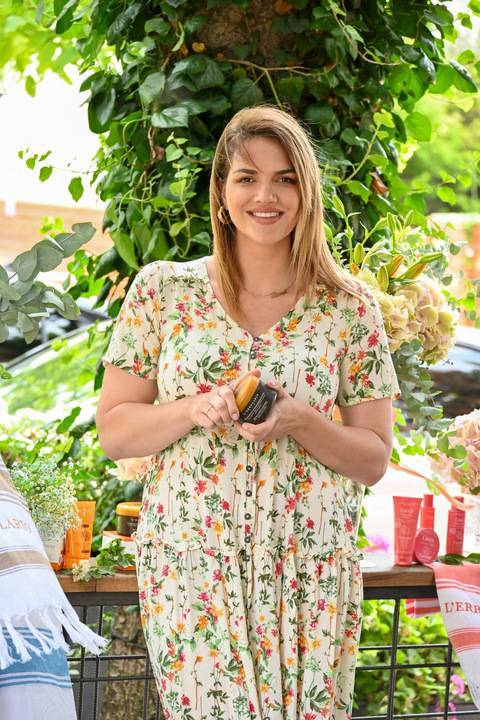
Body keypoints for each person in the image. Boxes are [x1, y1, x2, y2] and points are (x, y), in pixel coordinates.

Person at [96, 105, 400, 720]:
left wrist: (300, 420)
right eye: (247, 178)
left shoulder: (349, 306)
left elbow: (372, 460)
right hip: (193, 563)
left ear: (306, 193)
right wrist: (193, 408)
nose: (266, 196)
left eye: (285, 178)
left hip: (309, 567)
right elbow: (116, 431)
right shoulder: (163, 290)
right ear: (221, 192)